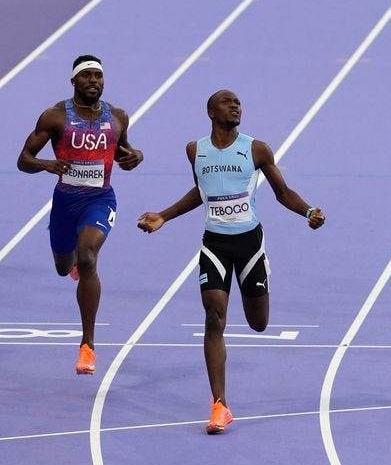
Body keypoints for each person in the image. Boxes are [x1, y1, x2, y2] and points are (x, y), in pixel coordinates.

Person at [137, 89, 325, 434]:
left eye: (238, 102)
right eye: (227, 101)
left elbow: (282, 192)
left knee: (258, 323)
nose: (236, 105)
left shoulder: (256, 149)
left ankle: (257, 287)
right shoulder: (195, 150)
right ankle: (220, 405)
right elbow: (202, 191)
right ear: (211, 112)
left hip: (249, 243)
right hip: (215, 245)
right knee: (214, 317)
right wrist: (164, 216)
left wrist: (309, 211)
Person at [17, 54, 144, 375]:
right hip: (64, 203)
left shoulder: (118, 117)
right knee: (64, 267)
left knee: (88, 257)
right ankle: (71, 262)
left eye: (98, 76)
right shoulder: (55, 117)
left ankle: (87, 346)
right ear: (73, 81)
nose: (93, 81)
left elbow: (123, 152)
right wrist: (46, 164)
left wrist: (136, 157)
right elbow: (24, 159)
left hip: (100, 200)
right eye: (86, 76)